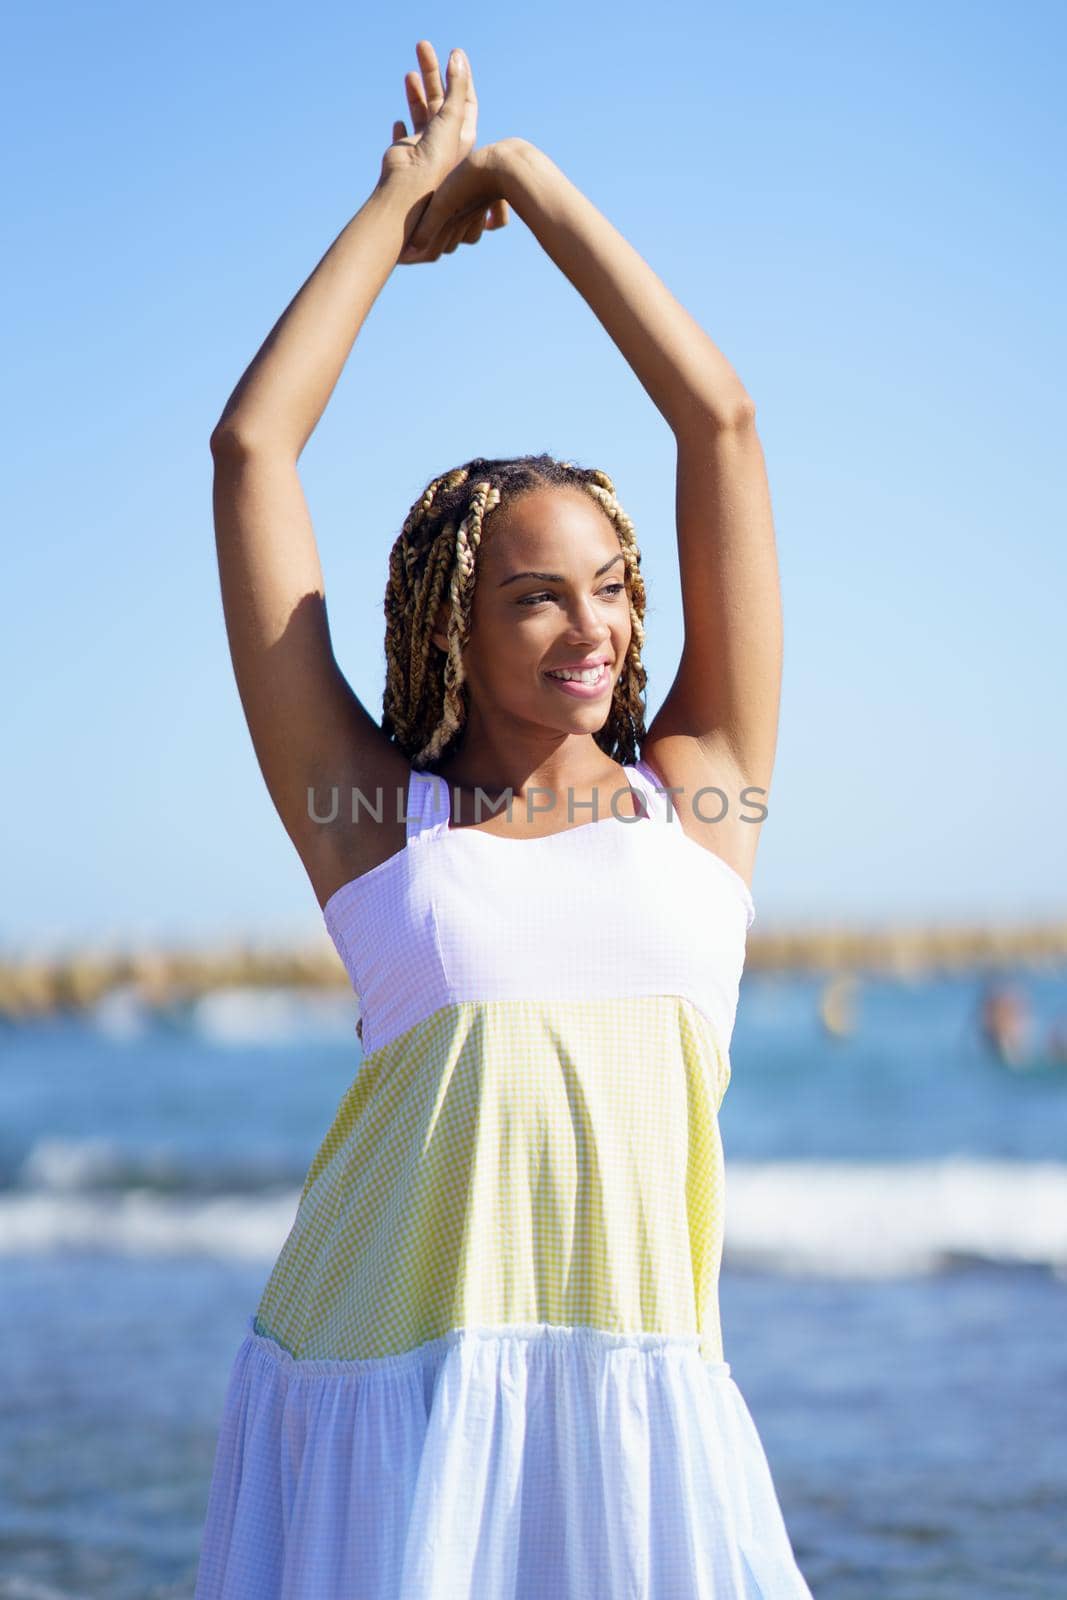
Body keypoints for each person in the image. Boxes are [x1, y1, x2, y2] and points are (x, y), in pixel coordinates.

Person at [195, 39, 810, 1599]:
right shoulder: (375, 823)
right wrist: (402, 206)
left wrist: (524, 178)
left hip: (648, 1417)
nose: (592, 629)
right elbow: (251, 451)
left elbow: (722, 424)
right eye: (538, 596)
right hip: (386, 1409)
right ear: (450, 627)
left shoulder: (702, 796)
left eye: (610, 587)